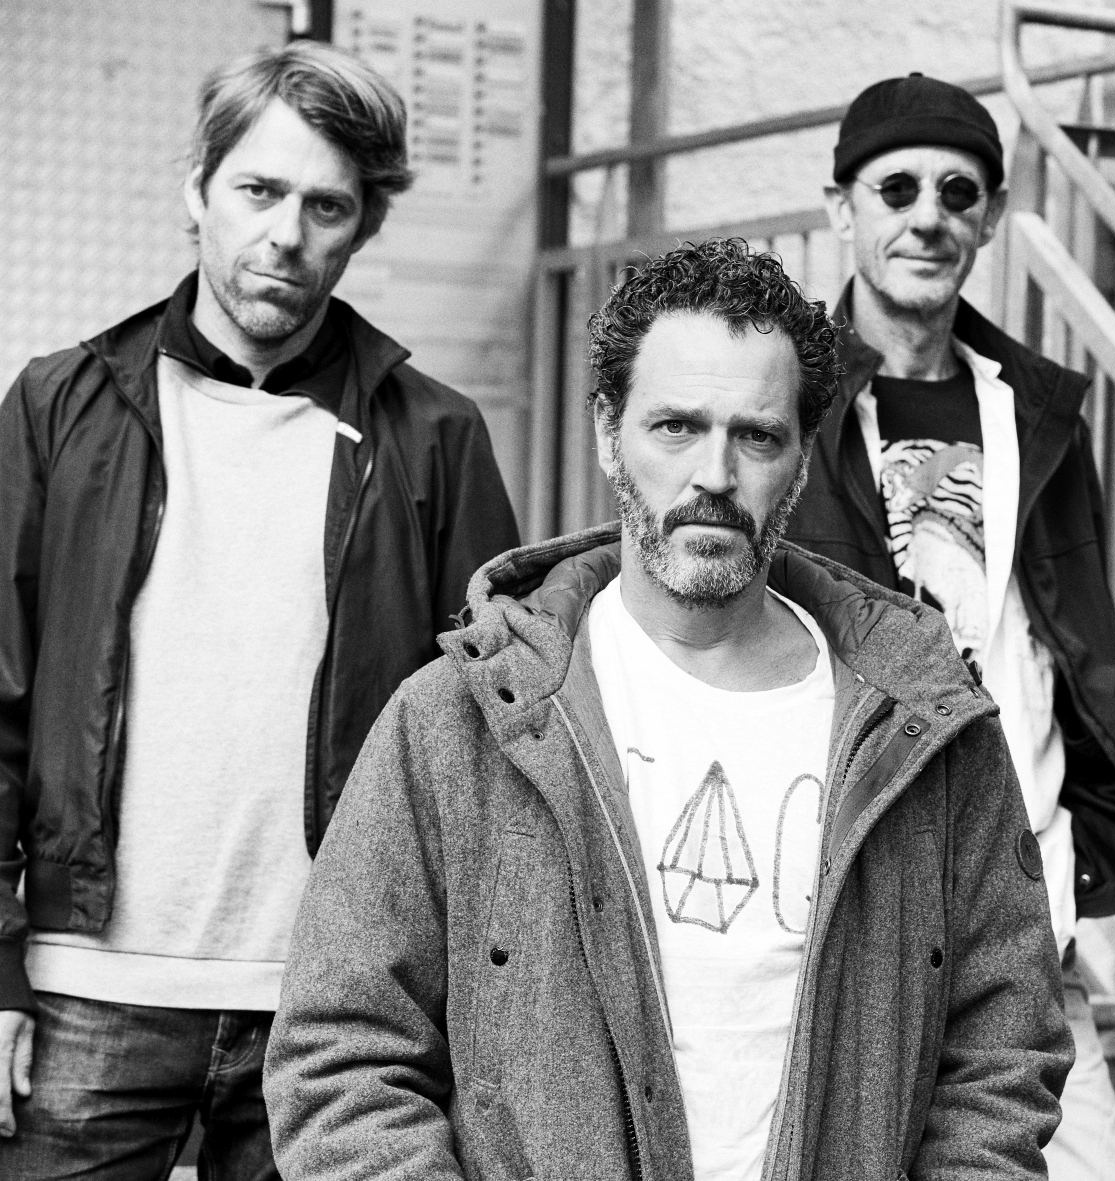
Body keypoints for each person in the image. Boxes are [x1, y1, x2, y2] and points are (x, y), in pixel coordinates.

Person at [262, 238, 1070, 1181]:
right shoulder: (458, 723)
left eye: (756, 435)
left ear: (802, 455)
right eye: (676, 427)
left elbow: (1003, 1050)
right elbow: (342, 1055)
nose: (714, 475)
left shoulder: (927, 726)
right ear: (610, 432)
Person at [0, 41, 519, 1177]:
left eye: (326, 205)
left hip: (334, 1008)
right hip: (87, 987)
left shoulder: (434, 437)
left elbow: (492, 735)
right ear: (197, 188)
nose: (286, 233)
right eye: (259, 190)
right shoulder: (59, 405)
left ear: (362, 227)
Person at [786, 73, 1115, 1181]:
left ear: (991, 216)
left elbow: (1080, 650)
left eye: (958, 191)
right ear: (840, 207)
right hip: (843, 904)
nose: (927, 216)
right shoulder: (788, 404)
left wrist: (1087, 855)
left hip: (1023, 910)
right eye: (895, 188)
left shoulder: (1038, 413)